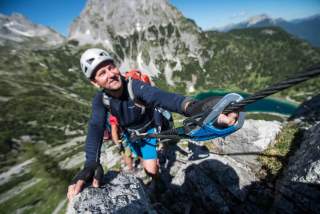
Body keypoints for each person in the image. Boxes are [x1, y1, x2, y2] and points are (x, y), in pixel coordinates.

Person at [67, 48, 238, 201]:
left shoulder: (135, 87)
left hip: (147, 132)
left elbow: (163, 98)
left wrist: (196, 107)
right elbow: (96, 125)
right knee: (141, 158)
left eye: (111, 67)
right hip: (131, 135)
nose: (110, 74)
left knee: (151, 169)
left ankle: (157, 183)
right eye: (102, 73)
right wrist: (91, 162)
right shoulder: (101, 100)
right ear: (95, 83)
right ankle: (152, 170)